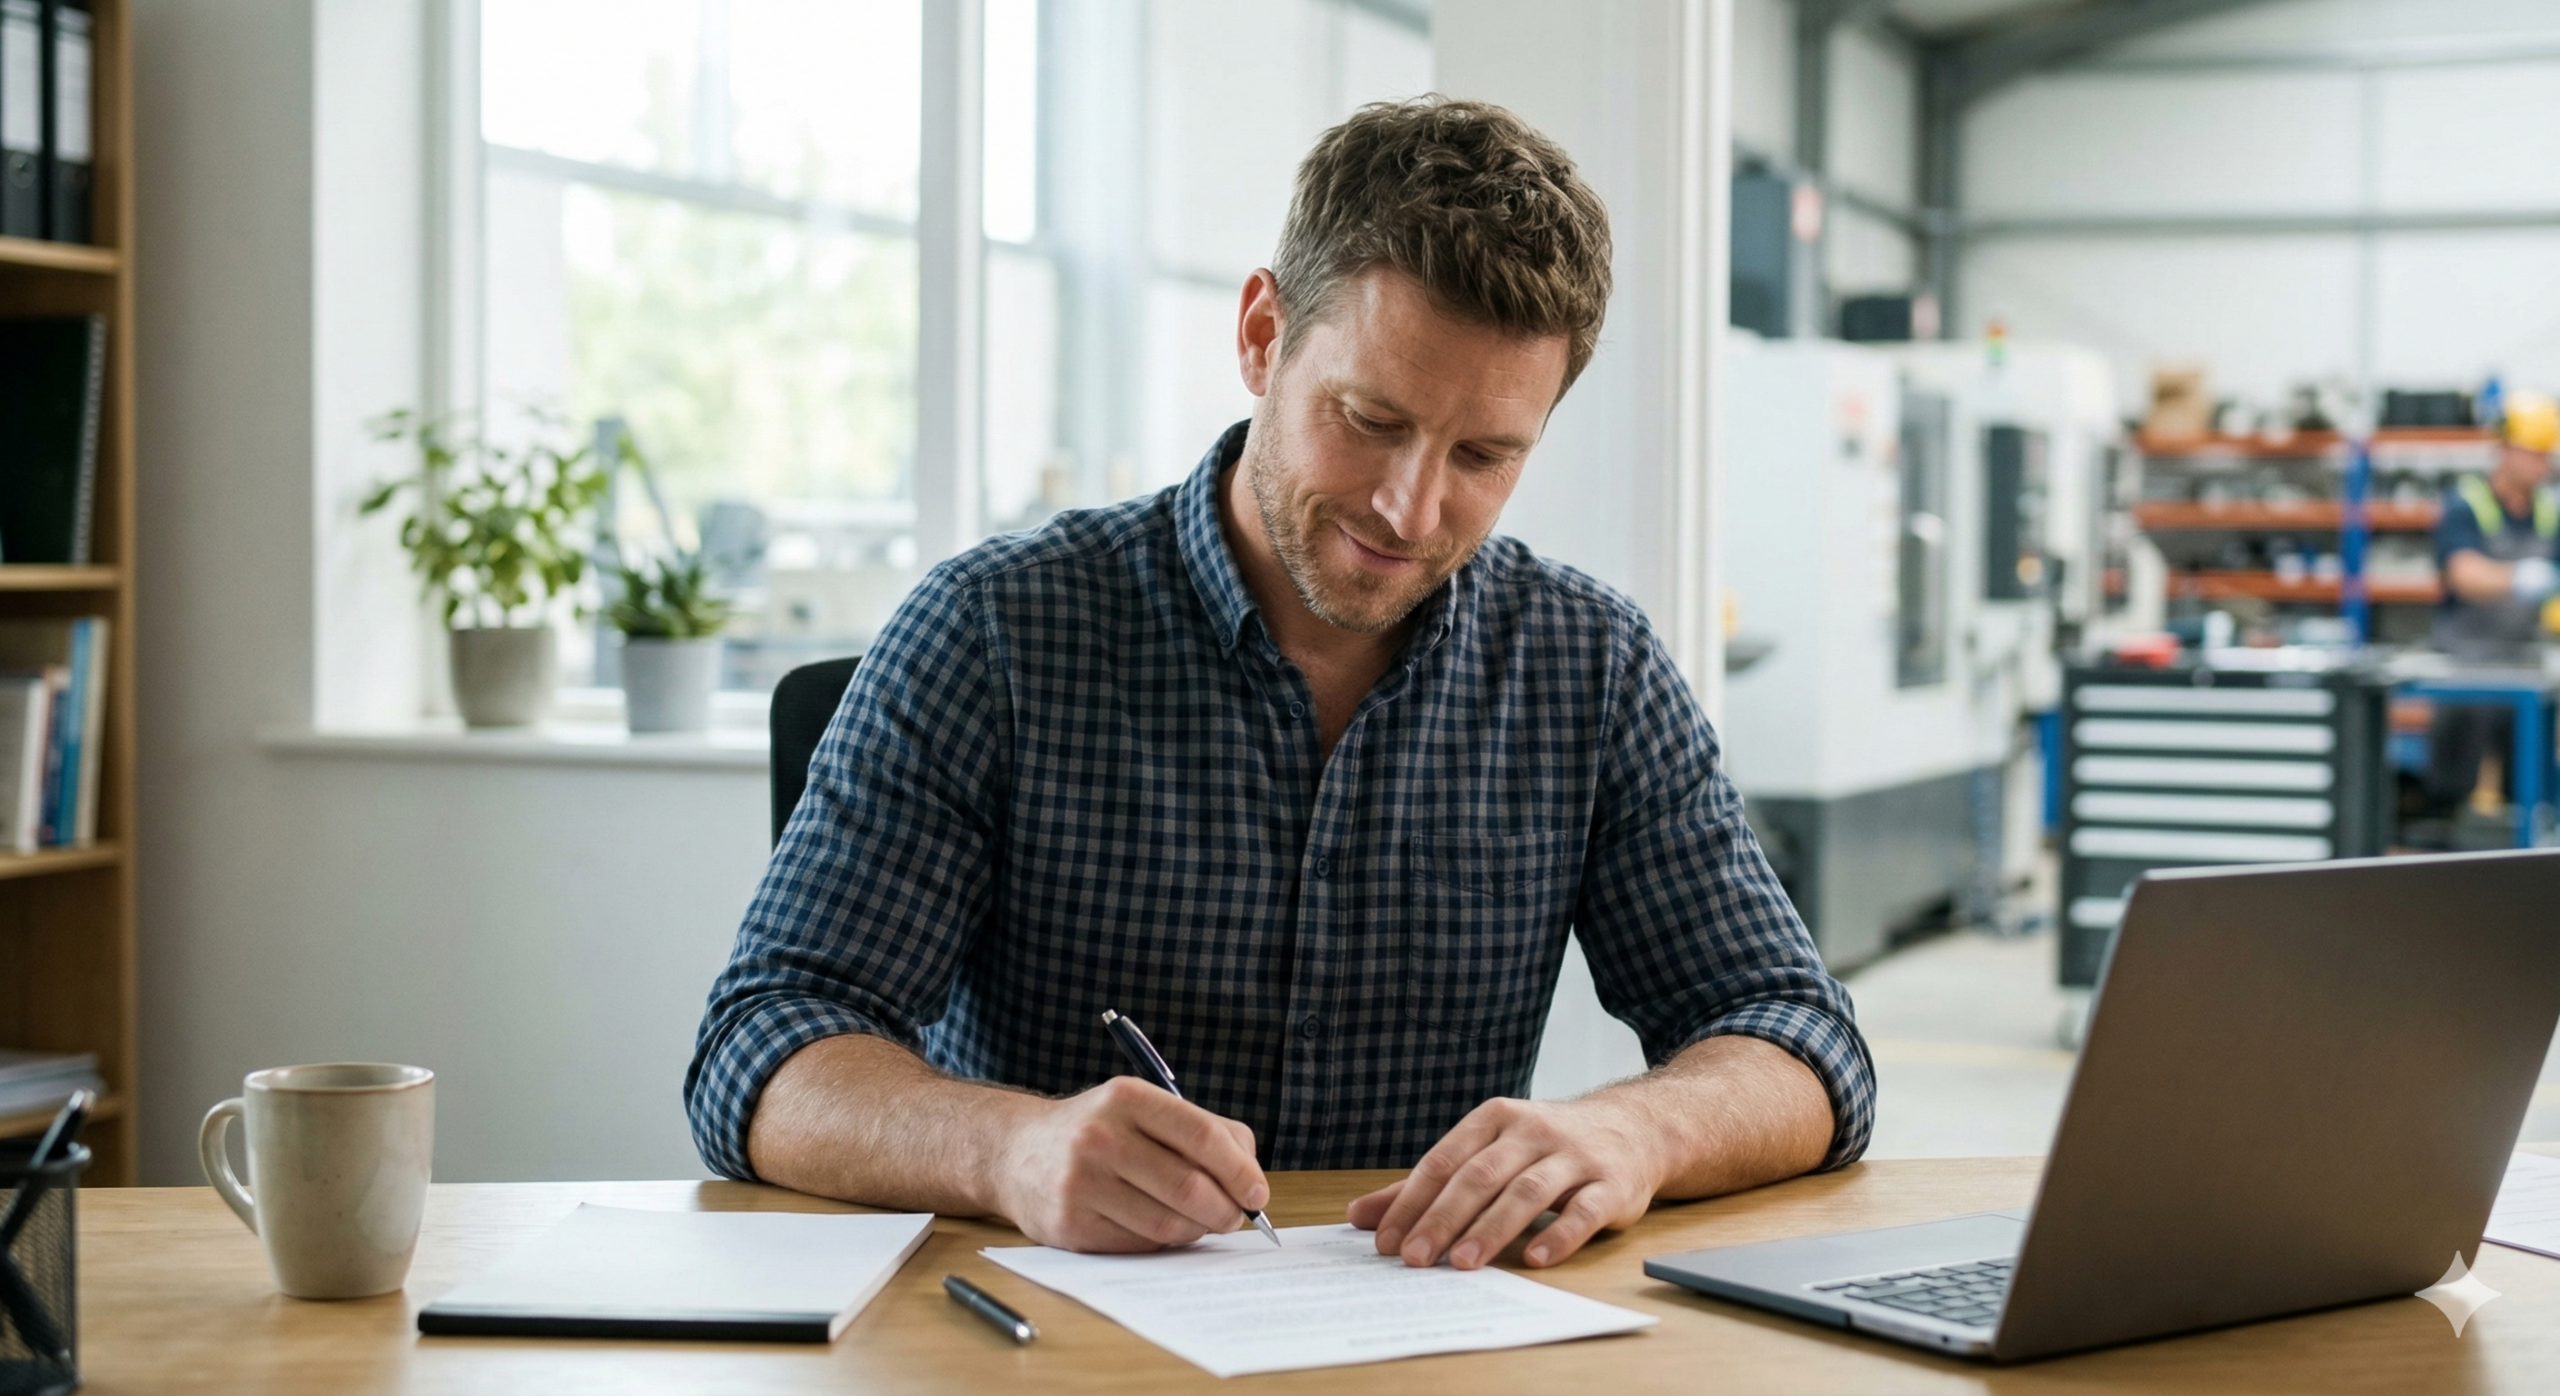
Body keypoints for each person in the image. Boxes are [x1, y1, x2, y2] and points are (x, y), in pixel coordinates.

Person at [685, 97, 1873, 1273]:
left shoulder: (1590, 668)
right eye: (1369, 418)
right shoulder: (994, 631)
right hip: (1062, 1339)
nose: (1409, 509)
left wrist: (1633, 1131)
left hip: (1423, 1335)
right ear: (1262, 334)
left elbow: (1800, 1038)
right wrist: (1009, 1148)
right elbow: (763, 1041)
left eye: (1482, 456)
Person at [2425, 389, 2559, 816]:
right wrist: (2519, 576)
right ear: (2506, 449)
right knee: (2451, 791)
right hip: (2468, 669)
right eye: (2534, 454)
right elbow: (2462, 574)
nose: (2543, 464)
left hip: (2527, 668)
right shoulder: (2466, 503)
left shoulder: (2549, 510)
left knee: (2532, 794)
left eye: (2547, 455)